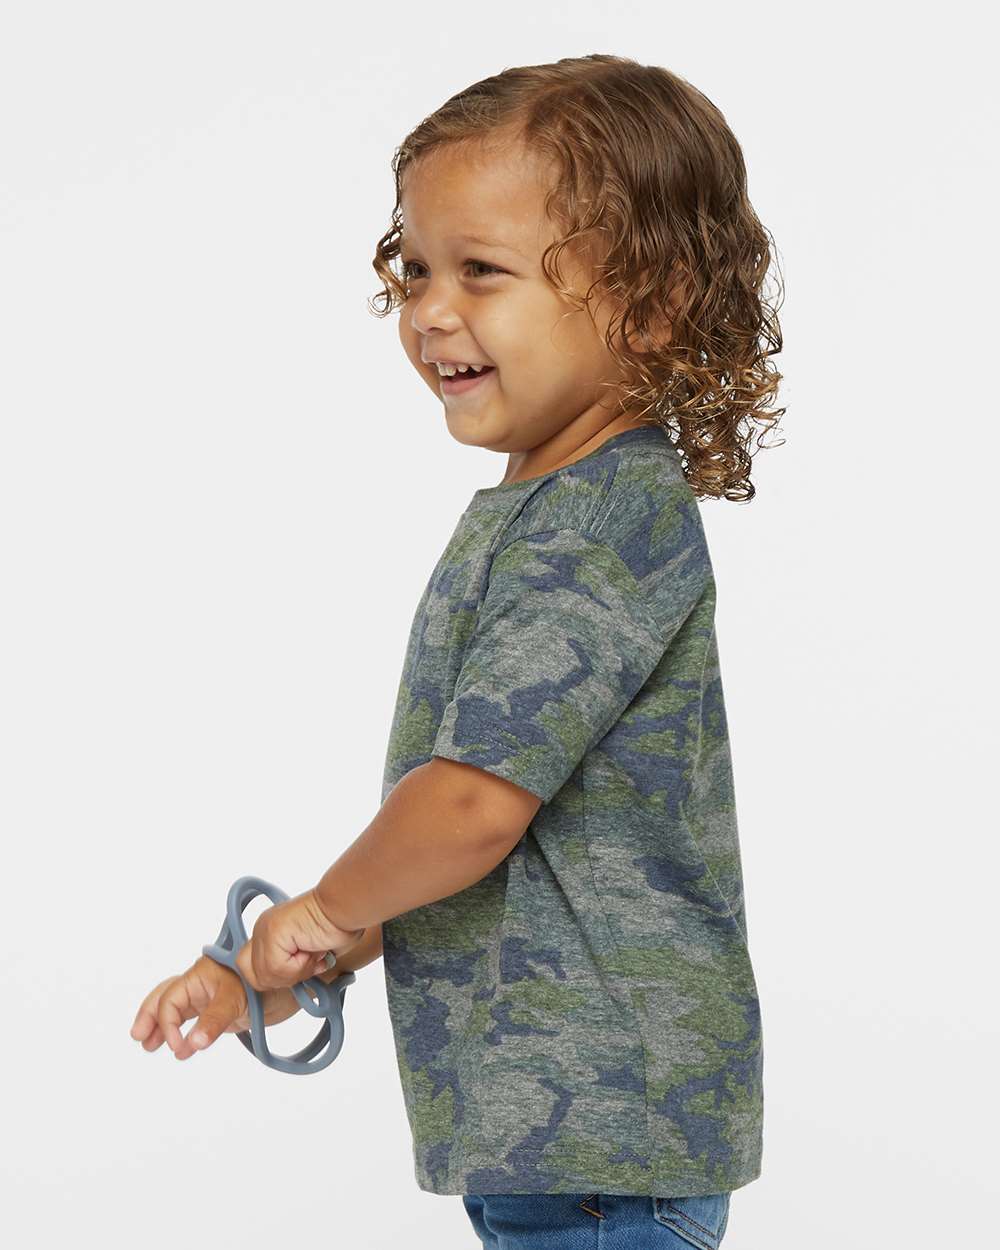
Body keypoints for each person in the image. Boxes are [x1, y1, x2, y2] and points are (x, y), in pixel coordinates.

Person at [130, 53, 783, 1249]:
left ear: (646, 304)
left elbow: (473, 806)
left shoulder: (601, 522)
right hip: (569, 1145)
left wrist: (321, 909)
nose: (431, 310)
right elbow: (469, 847)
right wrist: (270, 966)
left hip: (605, 1147)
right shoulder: (544, 514)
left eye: (481, 270)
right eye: (416, 268)